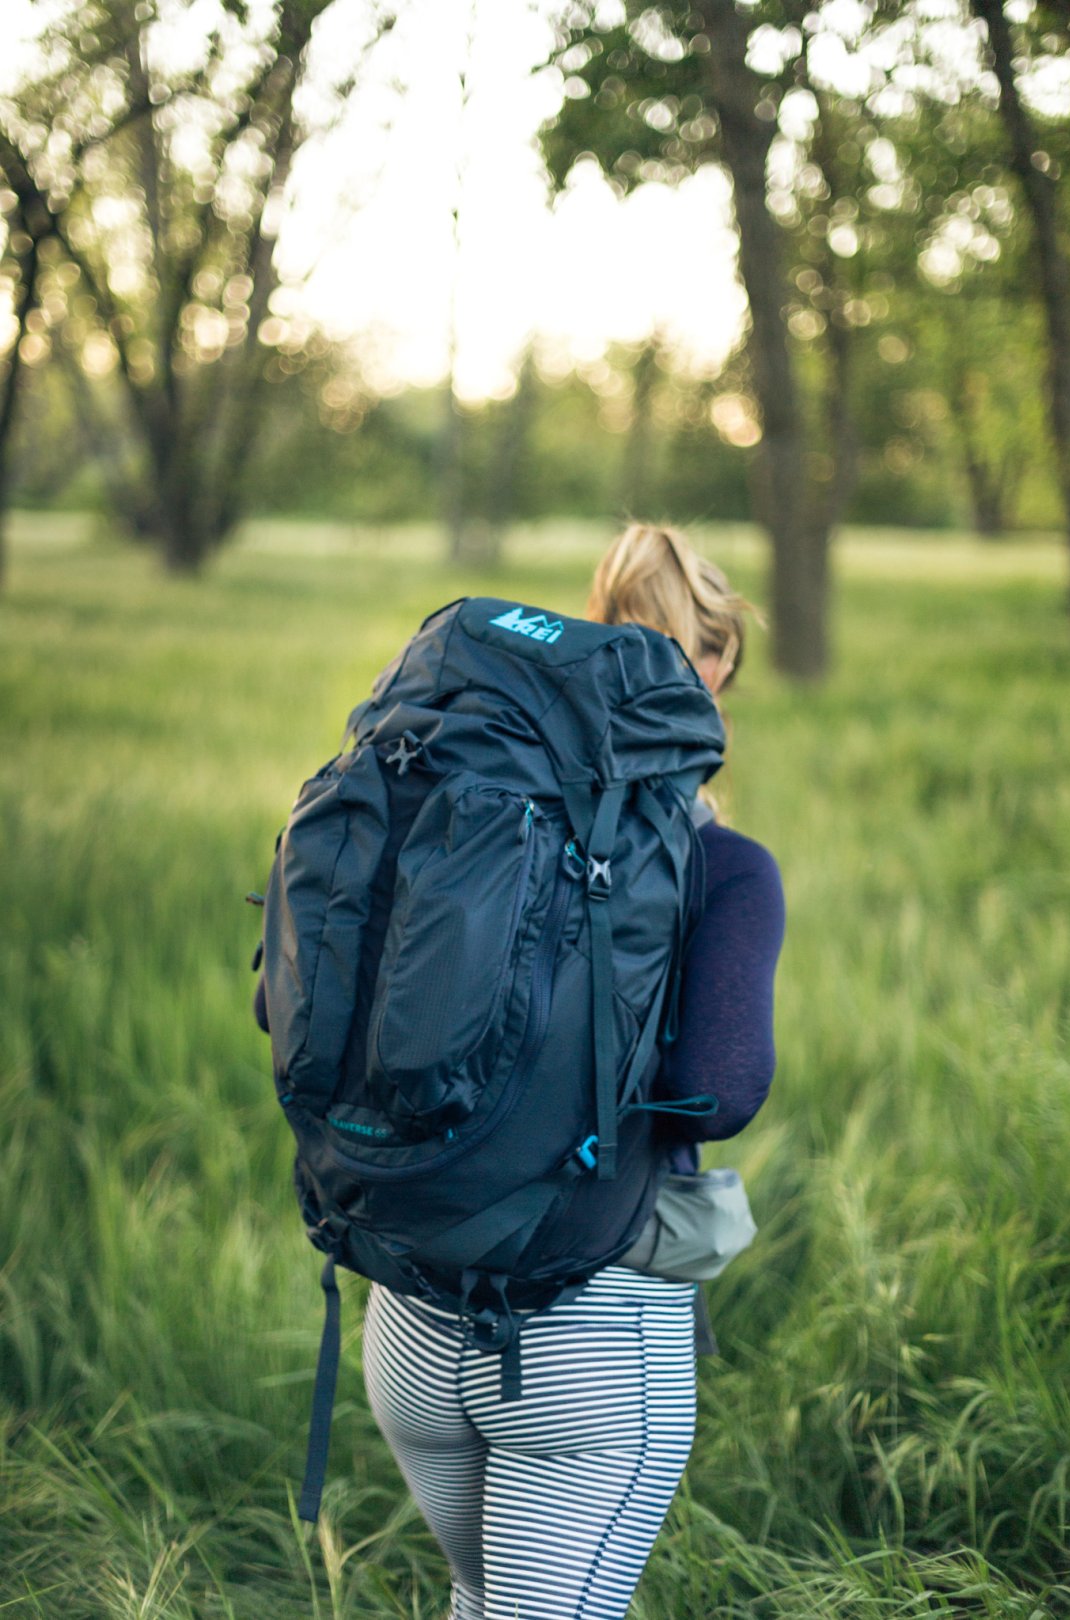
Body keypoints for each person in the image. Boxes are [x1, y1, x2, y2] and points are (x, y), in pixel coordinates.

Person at [360, 522, 786, 1620]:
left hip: (408, 1319)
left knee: (478, 1598)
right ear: (717, 665)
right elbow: (722, 1088)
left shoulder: (459, 807)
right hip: (586, 1343)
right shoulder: (723, 865)